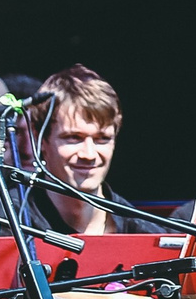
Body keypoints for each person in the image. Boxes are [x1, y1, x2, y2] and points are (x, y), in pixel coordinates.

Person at [27, 65, 168, 235]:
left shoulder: (145, 233)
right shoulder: (8, 225)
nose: (89, 154)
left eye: (102, 139)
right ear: (40, 138)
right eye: (74, 138)